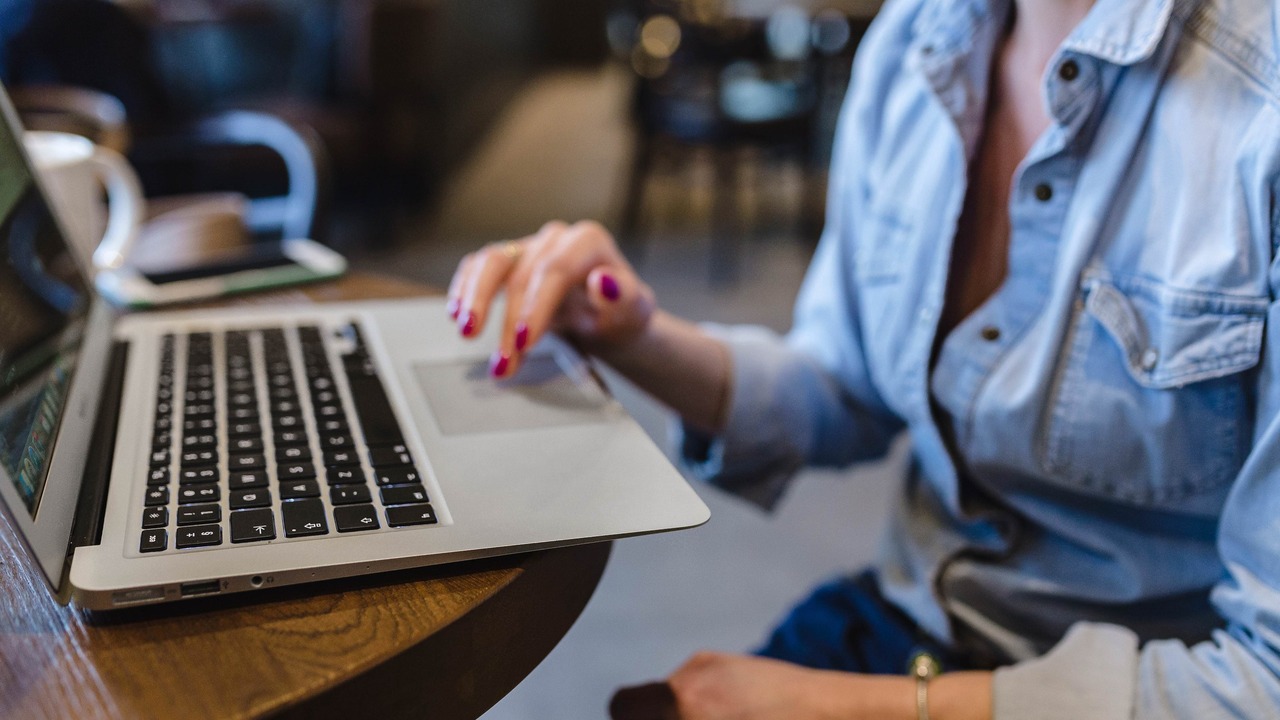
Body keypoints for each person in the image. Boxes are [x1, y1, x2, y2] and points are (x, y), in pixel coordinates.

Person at [447, 0, 1280, 713]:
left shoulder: (1258, 104)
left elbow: (1265, 681)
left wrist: (845, 709)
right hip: (915, 624)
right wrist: (634, 335)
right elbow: (844, 383)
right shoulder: (918, 40)